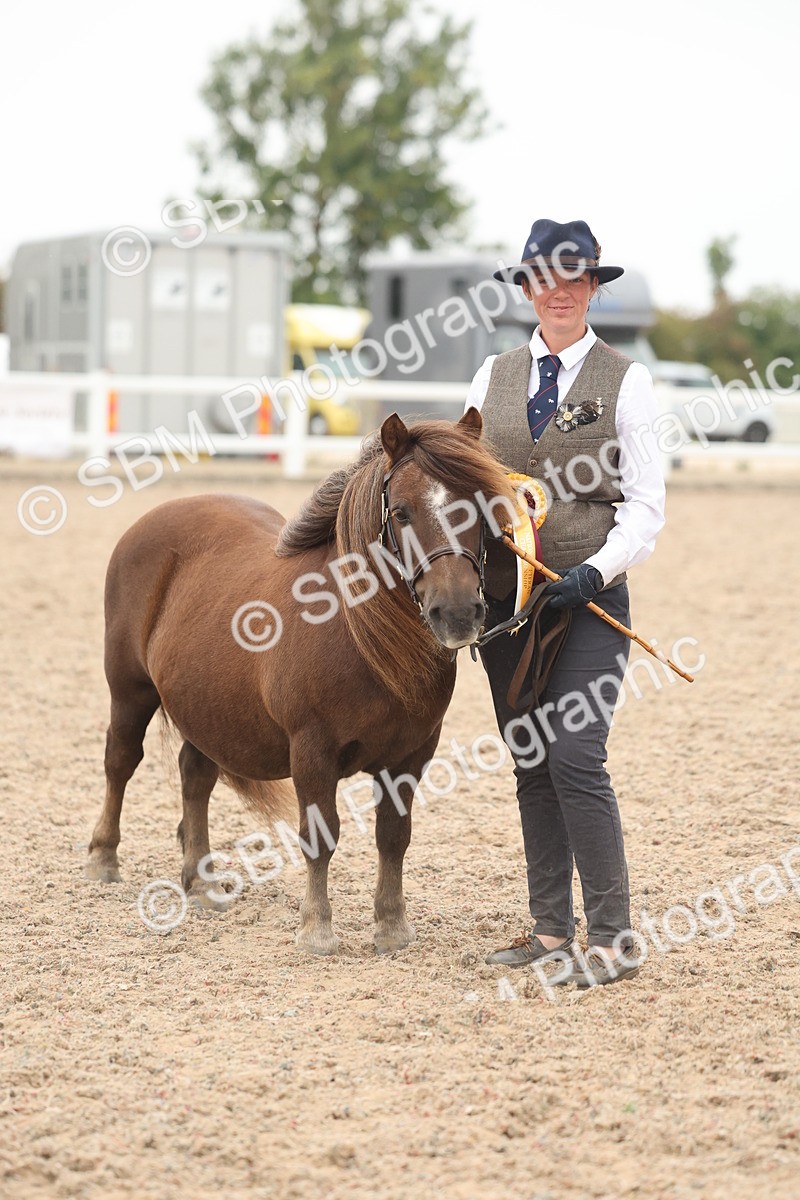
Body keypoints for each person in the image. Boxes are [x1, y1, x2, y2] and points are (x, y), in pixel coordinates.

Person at [466, 218, 665, 987]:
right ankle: (551, 930)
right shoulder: (491, 377)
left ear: (592, 288)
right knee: (531, 767)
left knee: (576, 755)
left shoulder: (628, 381)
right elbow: (463, 477)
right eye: (545, 278)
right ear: (526, 287)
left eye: (575, 279)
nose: (560, 291)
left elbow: (646, 507)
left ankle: (612, 939)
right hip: (509, 612)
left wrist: (599, 569)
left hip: (588, 606)